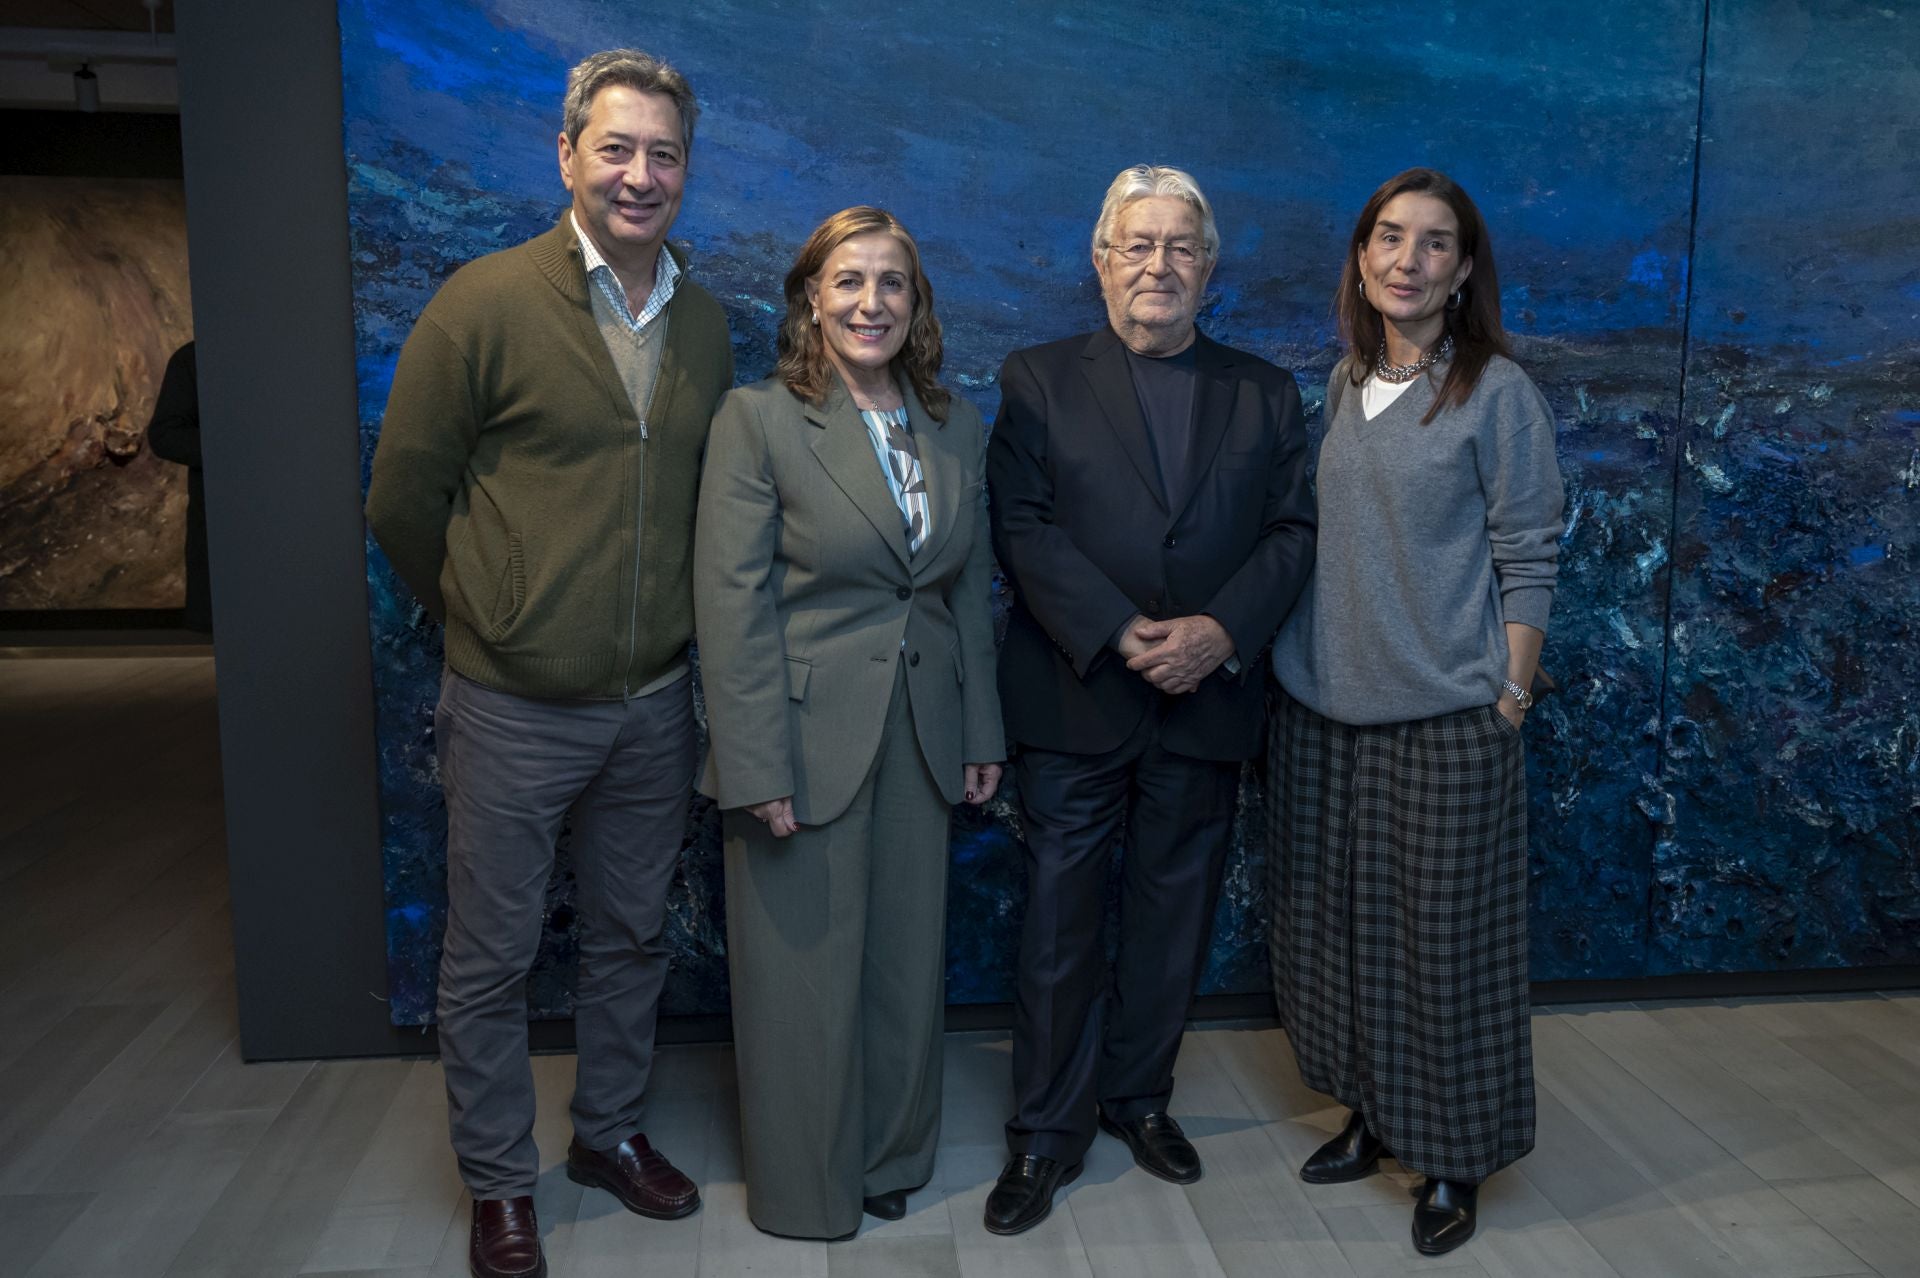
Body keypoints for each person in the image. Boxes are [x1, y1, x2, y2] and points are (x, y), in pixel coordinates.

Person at [364, 48, 733, 1278]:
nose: (640, 174)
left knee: (633, 937)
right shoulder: (481, 303)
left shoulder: (705, 323)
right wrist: (493, 616)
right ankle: (500, 1183)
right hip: (512, 707)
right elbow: (402, 501)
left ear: (686, 171)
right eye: (615, 148)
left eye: (663, 154)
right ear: (566, 154)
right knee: (491, 959)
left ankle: (608, 1135)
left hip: (655, 703)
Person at [983, 164, 1316, 1235]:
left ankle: (1138, 1099)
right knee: (1058, 925)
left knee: (1175, 919)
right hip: (1077, 690)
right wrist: (1121, 630)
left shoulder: (1266, 393)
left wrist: (1220, 633)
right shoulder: (1036, 379)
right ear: (1102, 261)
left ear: (1208, 269)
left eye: (1181, 247)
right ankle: (1045, 1134)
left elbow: (1293, 532)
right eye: (1139, 244)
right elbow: (1021, 522)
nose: (1158, 264)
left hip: (1205, 701)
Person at [1269, 166, 1566, 1257]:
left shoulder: (1498, 394)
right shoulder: (1344, 382)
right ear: (1361, 259)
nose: (1409, 259)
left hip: (1445, 717)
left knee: (1443, 953)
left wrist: (1510, 696)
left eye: (1435, 242)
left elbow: (1530, 552)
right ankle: (1376, 1115)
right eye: (1390, 237)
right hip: (1321, 711)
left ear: (1464, 269)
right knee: (1339, 938)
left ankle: (1453, 1157)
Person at [694, 206, 1005, 1241]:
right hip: (800, 739)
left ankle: (890, 1158)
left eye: (892, 282)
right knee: (802, 981)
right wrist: (755, 765)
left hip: (922, 730)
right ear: (811, 300)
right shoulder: (758, 419)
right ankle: (806, 1191)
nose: (872, 302)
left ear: (917, 304)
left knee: (904, 968)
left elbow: (963, 596)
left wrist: (981, 732)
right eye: (849, 281)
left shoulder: (953, 424)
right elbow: (731, 607)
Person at [145, 340, 211, 631]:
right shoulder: (194, 358)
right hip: (220, 521)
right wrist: (235, 447)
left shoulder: (288, 354)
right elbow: (165, 434)